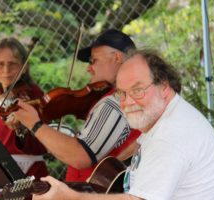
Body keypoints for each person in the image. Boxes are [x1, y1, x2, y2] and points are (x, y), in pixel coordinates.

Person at [31, 49, 214, 200]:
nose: (127, 102)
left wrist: (71, 196)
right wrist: (109, 166)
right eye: (122, 93)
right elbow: (141, 148)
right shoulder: (168, 116)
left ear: (164, 87)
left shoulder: (170, 137)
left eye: (137, 90)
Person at [14, 29, 141, 182]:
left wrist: (34, 124)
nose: (89, 68)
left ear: (116, 57)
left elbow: (80, 156)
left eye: (93, 60)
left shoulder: (114, 102)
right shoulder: (130, 96)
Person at [0, 37, 49, 199]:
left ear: (24, 67)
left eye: (12, 64)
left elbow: (40, 141)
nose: (6, 70)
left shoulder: (34, 95)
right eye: (0, 64)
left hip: (28, 172)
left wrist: (21, 130)